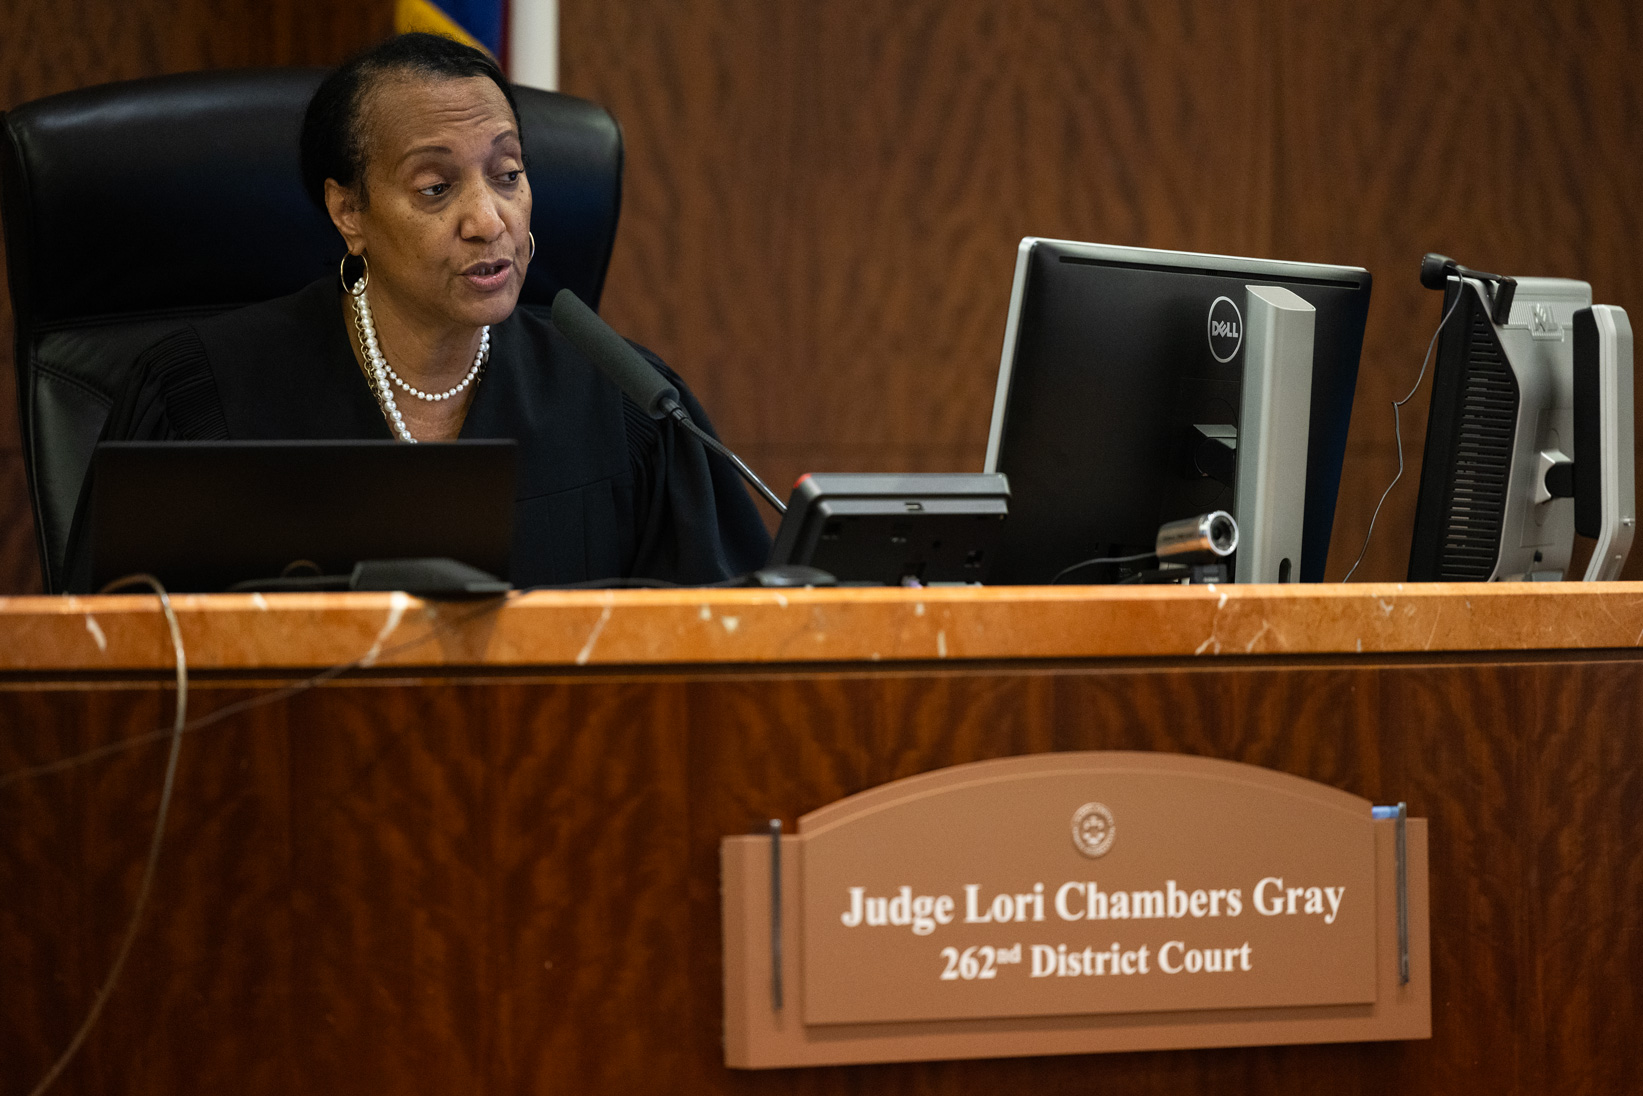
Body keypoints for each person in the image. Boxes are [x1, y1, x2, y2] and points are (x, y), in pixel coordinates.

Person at [64, 32, 770, 590]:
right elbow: (111, 668)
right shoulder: (203, 396)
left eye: (508, 174)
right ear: (349, 211)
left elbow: (732, 646)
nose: (489, 220)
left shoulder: (622, 402)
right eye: (435, 188)